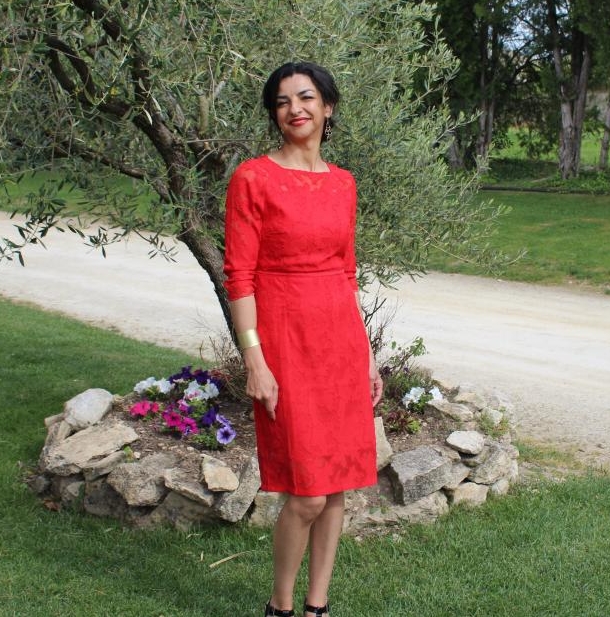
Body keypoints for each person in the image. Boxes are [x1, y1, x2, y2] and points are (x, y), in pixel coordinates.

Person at [223, 61, 383, 617]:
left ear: (328, 107)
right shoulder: (253, 178)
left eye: (307, 97)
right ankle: (281, 605)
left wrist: (366, 356)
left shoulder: (343, 183)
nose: (295, 108)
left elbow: (346, 273)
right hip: (285, 343)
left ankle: (317, 607)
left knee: (336, 485)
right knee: (309, 492)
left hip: (340, 344)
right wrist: (254, 359)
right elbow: (239, 277)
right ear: (275, 114)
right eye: (283, 101)